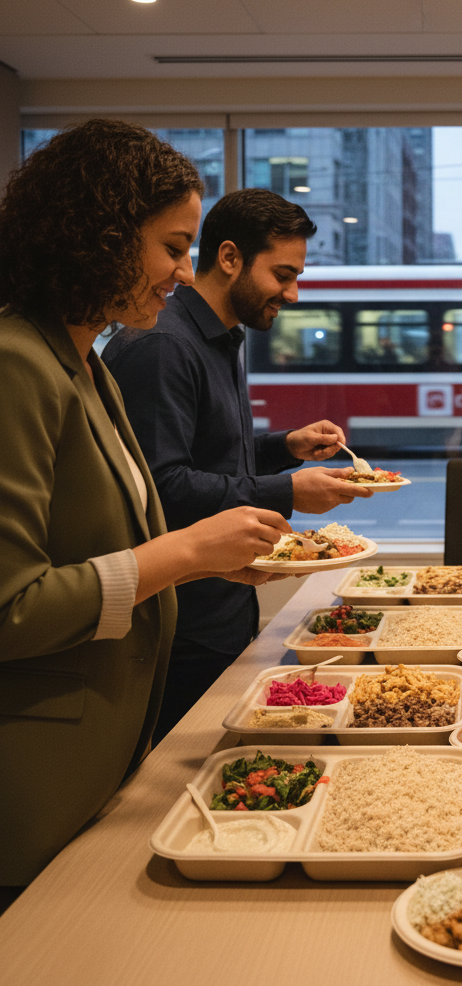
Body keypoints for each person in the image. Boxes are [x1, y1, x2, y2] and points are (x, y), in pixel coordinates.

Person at [0, 120, 293, 889]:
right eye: (171, 248)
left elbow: (123, 528)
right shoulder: (15, 363)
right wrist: (190, 553)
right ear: (95, 237)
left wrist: (219, 559)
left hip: (106, 754)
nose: (181, 272)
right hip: (41, 775)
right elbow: (12, 606)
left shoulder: (86, 365)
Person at [104, 189, 372, 743]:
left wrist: (283, 446)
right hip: (182, 626)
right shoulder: (162, 345)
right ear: (229, 259)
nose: (293, 293)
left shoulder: (220, 335)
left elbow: (211, 453)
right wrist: (287, 490)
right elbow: (161, 487)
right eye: (282, 274)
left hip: (222, 610)